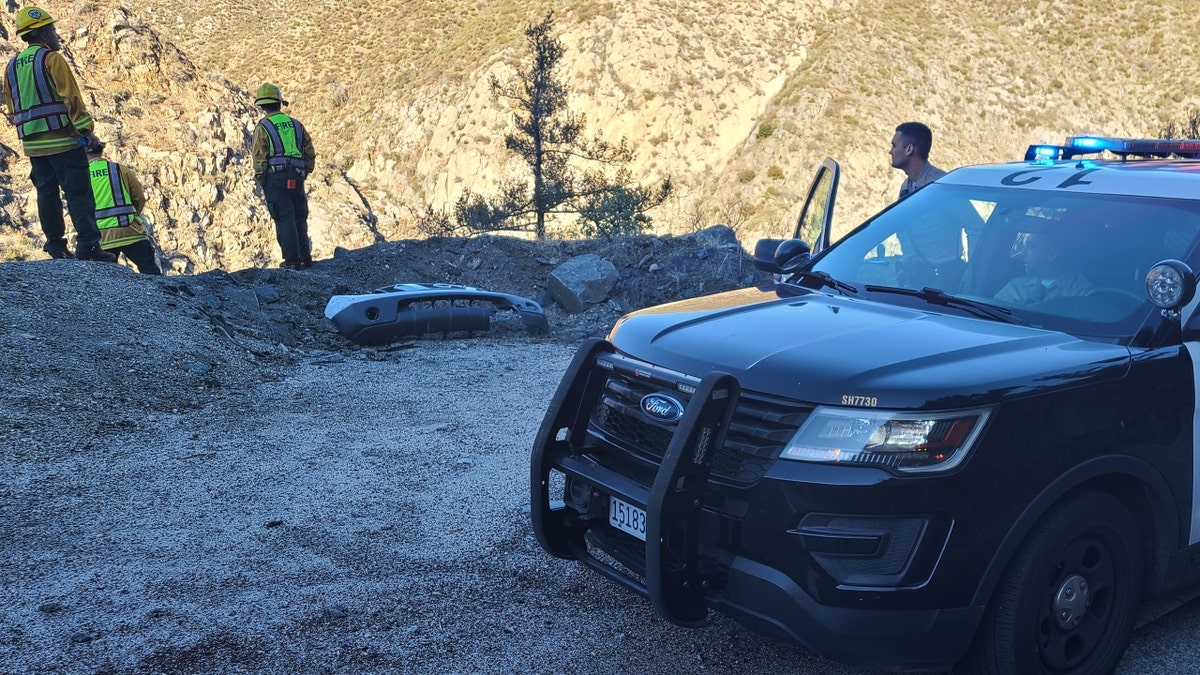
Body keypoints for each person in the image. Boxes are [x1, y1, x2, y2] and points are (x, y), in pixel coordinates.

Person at [3, 6, 115, 262]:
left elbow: (12, 107)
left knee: (47, 195)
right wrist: (87, 131)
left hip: (33, 147)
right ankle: (89, 246)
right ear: (42, 34)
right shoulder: (52, 60)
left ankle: (56, 246)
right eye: (52, 29)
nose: (57, 34)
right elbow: (71, 99)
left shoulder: (11, 67)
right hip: (64, 141)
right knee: (79, 194)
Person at [251, 82, 316, 270]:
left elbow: (259, 157)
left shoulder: (263, 127)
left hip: (275, 178)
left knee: (284, 216)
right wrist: (304, 172)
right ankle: (305, 256)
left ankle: (292, 261)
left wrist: (262, 179)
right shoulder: (297, 125)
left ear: (262, 106)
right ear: (280, 103)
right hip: (296, 176)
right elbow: (309, 152)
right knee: (299, 215)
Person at [85, 141, 161, 274]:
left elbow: (79, 207)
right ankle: (163, 294)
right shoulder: (120, 169)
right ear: (101, 151)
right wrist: (131, 216)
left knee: (105, 278)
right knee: (149, 270)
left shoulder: (82, 175)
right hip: (130, 230)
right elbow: (139, 197)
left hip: (102, 237)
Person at [995, 230, 1092, 304]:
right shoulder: (1016, 286)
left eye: (1030, 247)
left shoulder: (1081, 293)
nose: (1022, 253)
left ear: (1052, 255)